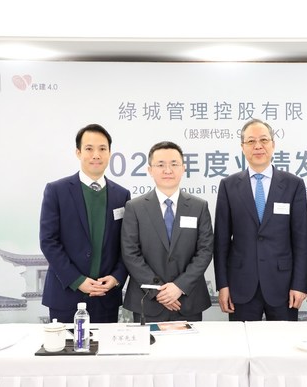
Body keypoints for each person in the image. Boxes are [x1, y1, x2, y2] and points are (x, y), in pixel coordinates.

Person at [214, 119, 307, 321]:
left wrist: (300, 284)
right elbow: (221, 242)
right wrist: (222, 285)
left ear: (273, 144)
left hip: (283, 286)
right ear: (243, 147)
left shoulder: (293, 185)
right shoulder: (228, 186)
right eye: (251, 141)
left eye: (264, 140)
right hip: (241, 285)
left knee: (285, 340)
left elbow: (301, 240)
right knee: (242, 340)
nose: (258, 146)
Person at [40, 123, 131, 323]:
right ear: (78, 152)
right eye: (89, 149)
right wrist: (77, 280)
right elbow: (48, 241)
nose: (96, 155)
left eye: (102, 149)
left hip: (105, 296)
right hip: (66, 295)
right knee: (66, 343)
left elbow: (127, 244)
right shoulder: (57, 190)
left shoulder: (121, 195)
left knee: (104, 343)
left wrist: (116, 277)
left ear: (110, 153)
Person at [121, 141, 213, 322]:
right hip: (148, 301)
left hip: (188, 300)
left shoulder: (199, 207)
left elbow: (205, 250)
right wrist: (159, 291)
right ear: (150, 170)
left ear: (183, 168)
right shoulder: (135, 207)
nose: (168, 170)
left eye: (174, 164)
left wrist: (179, 286)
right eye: (161, 165)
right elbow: (130, 253)